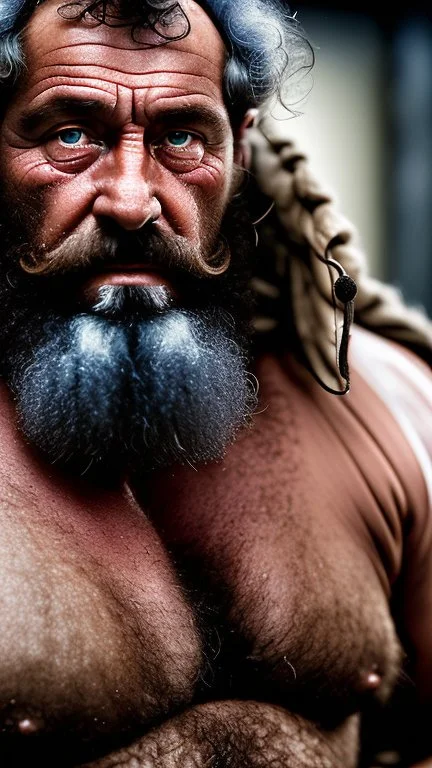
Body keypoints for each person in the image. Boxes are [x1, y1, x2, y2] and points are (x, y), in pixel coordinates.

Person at [0, 0, 430, 766]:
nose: (132, 201)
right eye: (70, 134)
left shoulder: (385, 404)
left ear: (241, 149)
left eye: (180, 137)